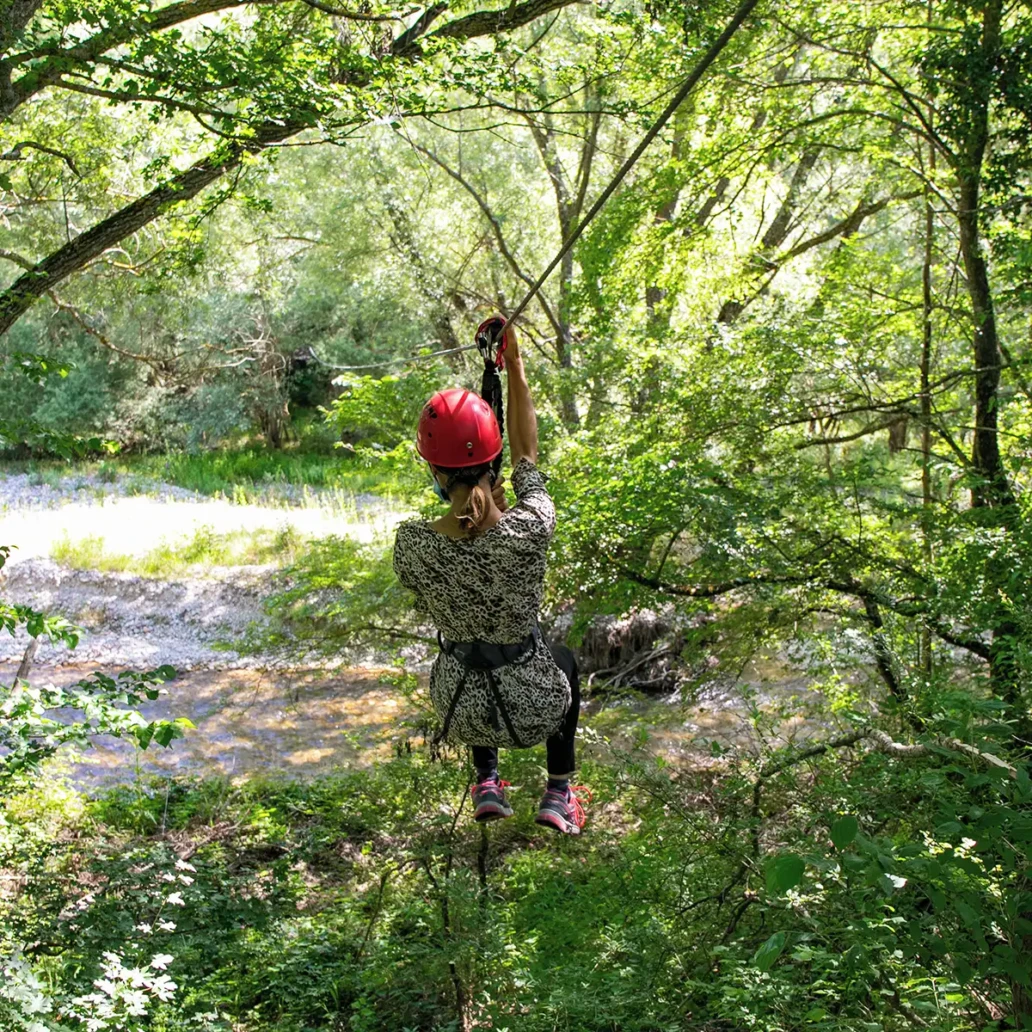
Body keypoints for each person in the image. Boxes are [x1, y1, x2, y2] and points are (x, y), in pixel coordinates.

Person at [392, 320, 587, 834]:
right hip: (531, 707)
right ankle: (558, 792)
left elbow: (462, 544)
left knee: (472, 648)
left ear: (434, 472)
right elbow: (528, 454)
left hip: (459, 708)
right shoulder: (532, 525)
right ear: (492, 460)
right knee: (564, 662)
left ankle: (486, 779)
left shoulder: (412, 546)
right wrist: (515, 365)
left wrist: (476, 521)